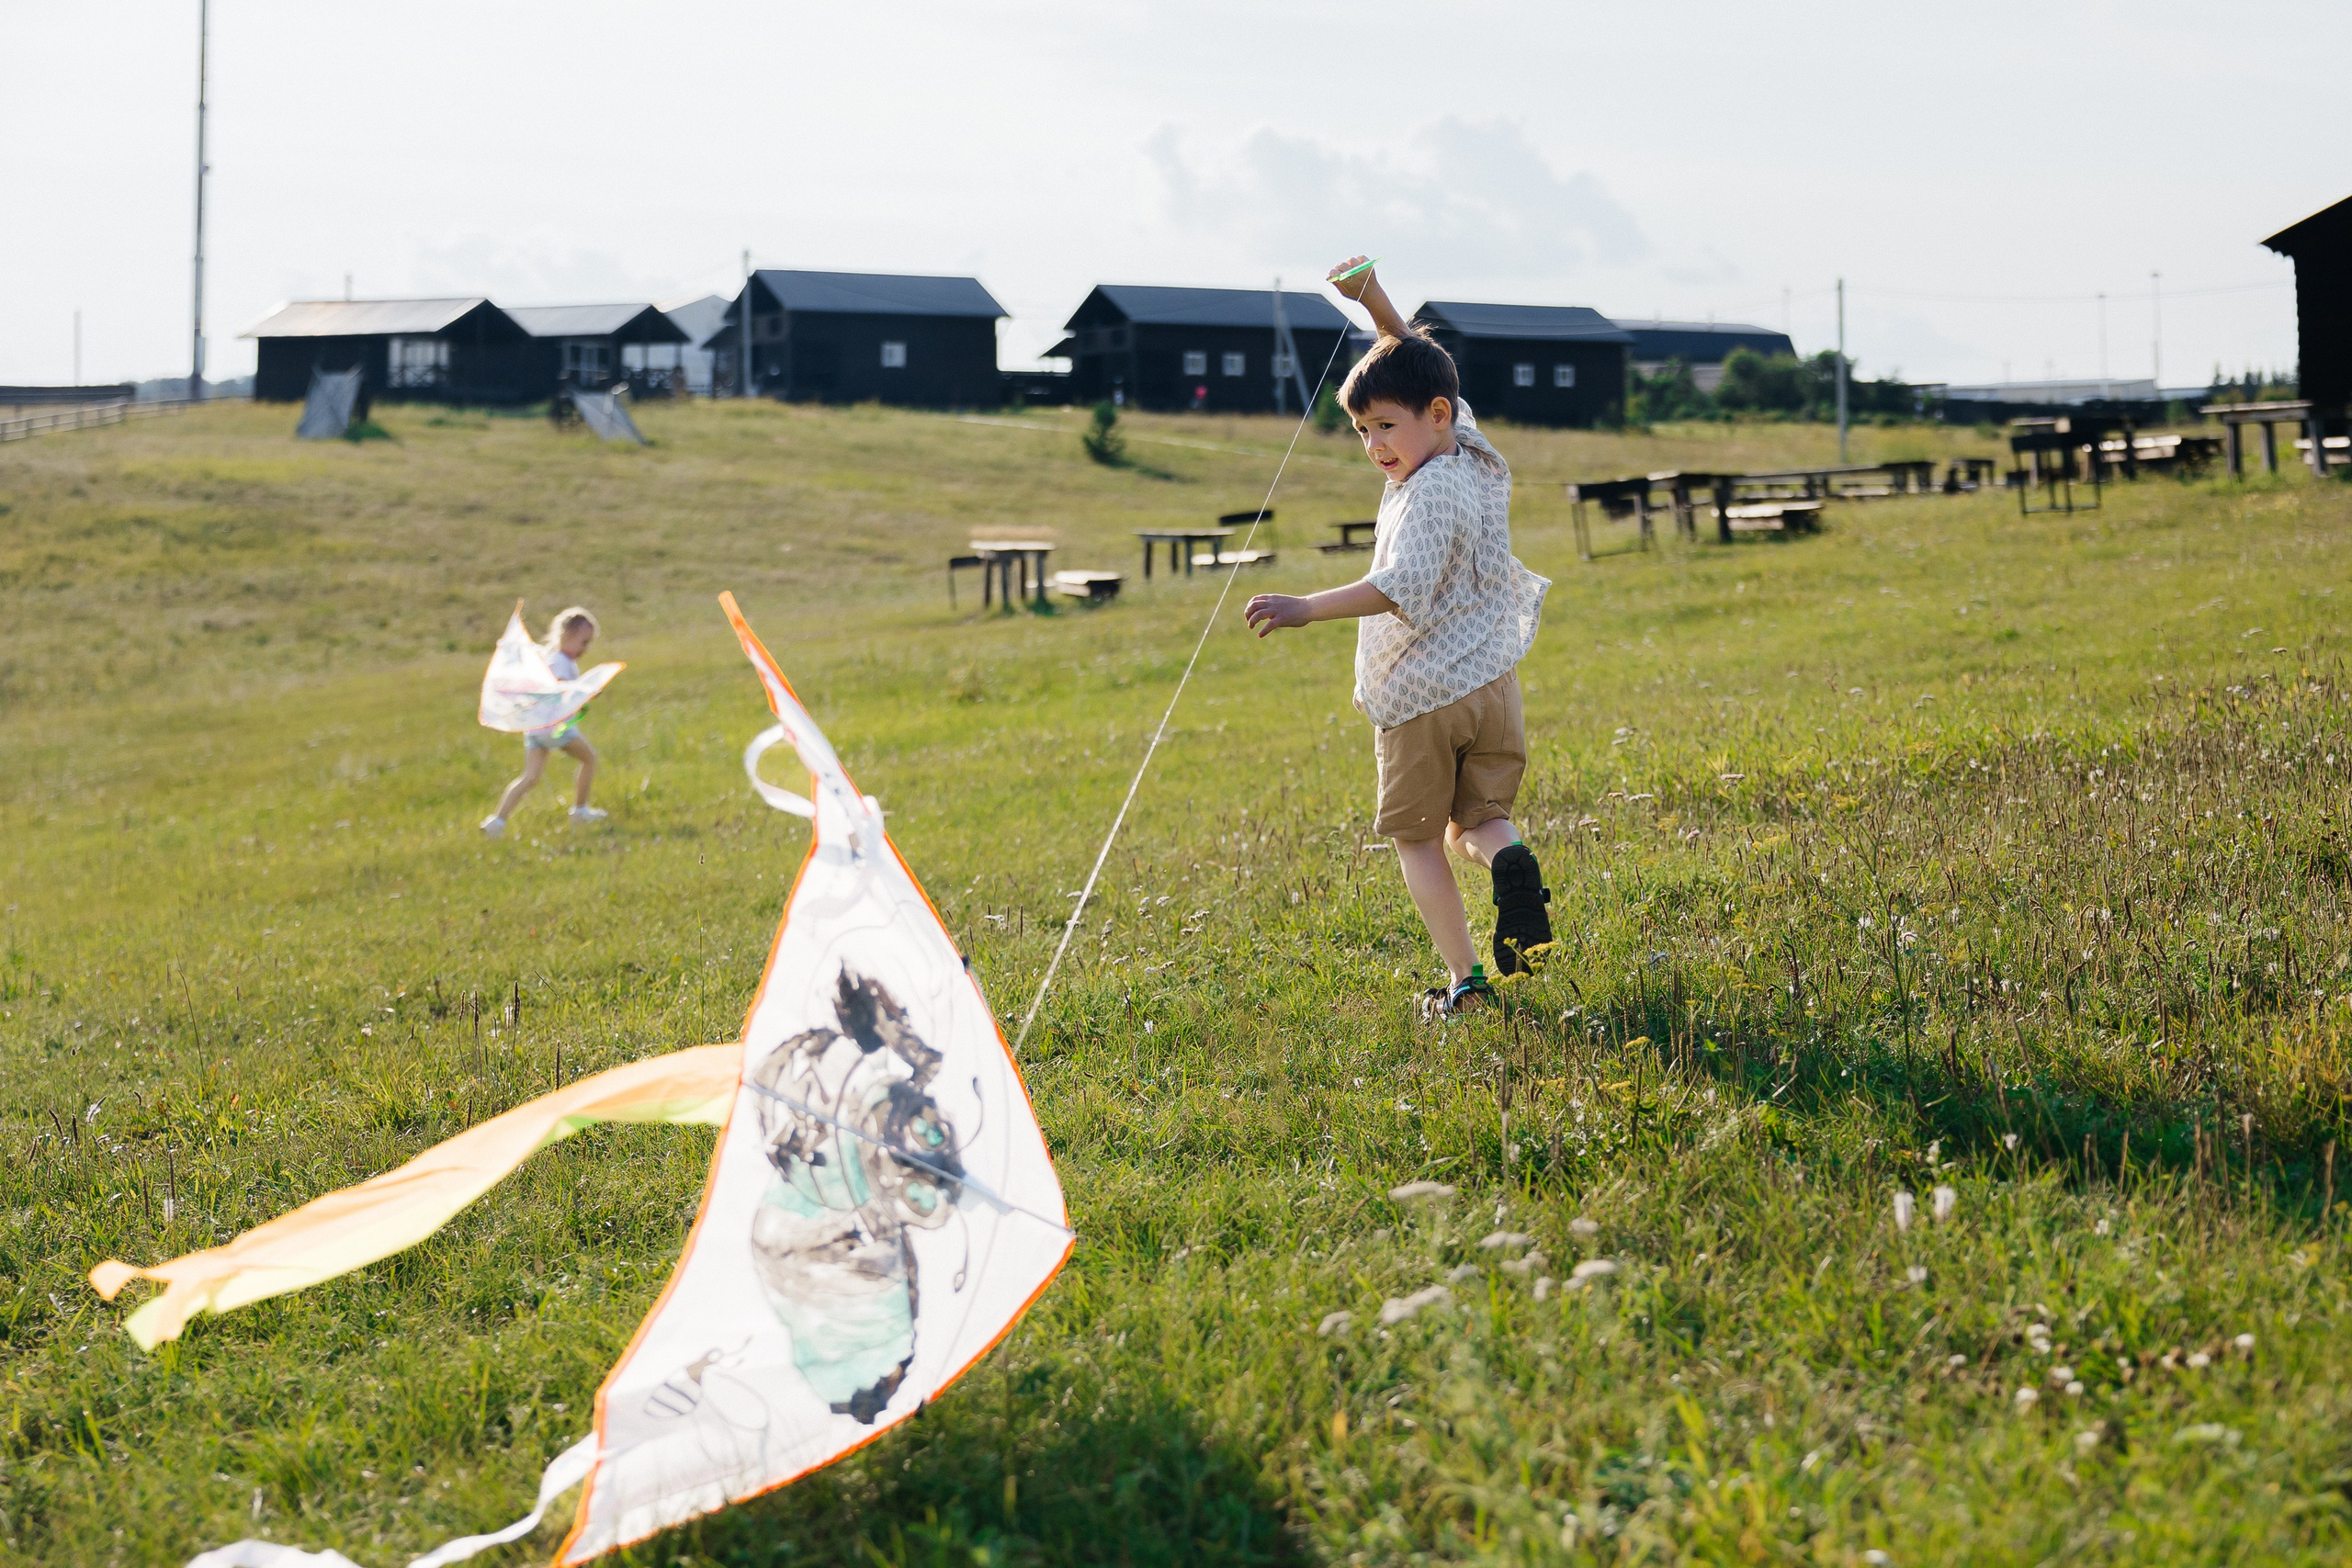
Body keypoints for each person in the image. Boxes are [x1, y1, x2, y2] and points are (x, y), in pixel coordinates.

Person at [1244, 258, 1553, 1019]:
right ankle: (1511, 862)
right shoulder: (1475, 455)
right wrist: (1373, 299)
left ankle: (1466, 982)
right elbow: (1417, 362)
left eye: (1386, 427)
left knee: (1417, 838)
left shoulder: (1422, 497)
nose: (1376, 445)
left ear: (1435, 415)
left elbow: (1397, 588)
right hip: (1494, 684)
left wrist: (1304, 606)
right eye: (1362, 430)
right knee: (1477, 824)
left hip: (1422, 697)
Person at [481, 606, 609, 839]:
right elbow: (559, 689)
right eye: (583, 642)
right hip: (556, 729)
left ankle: (497, 822)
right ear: (567, 636)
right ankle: (580, 811)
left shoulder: (550, 658)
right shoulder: (561, 662)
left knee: (530, 778)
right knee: (589, 759)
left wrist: (584, 693)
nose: (585, 649)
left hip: (536, 729)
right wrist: (585, 690)